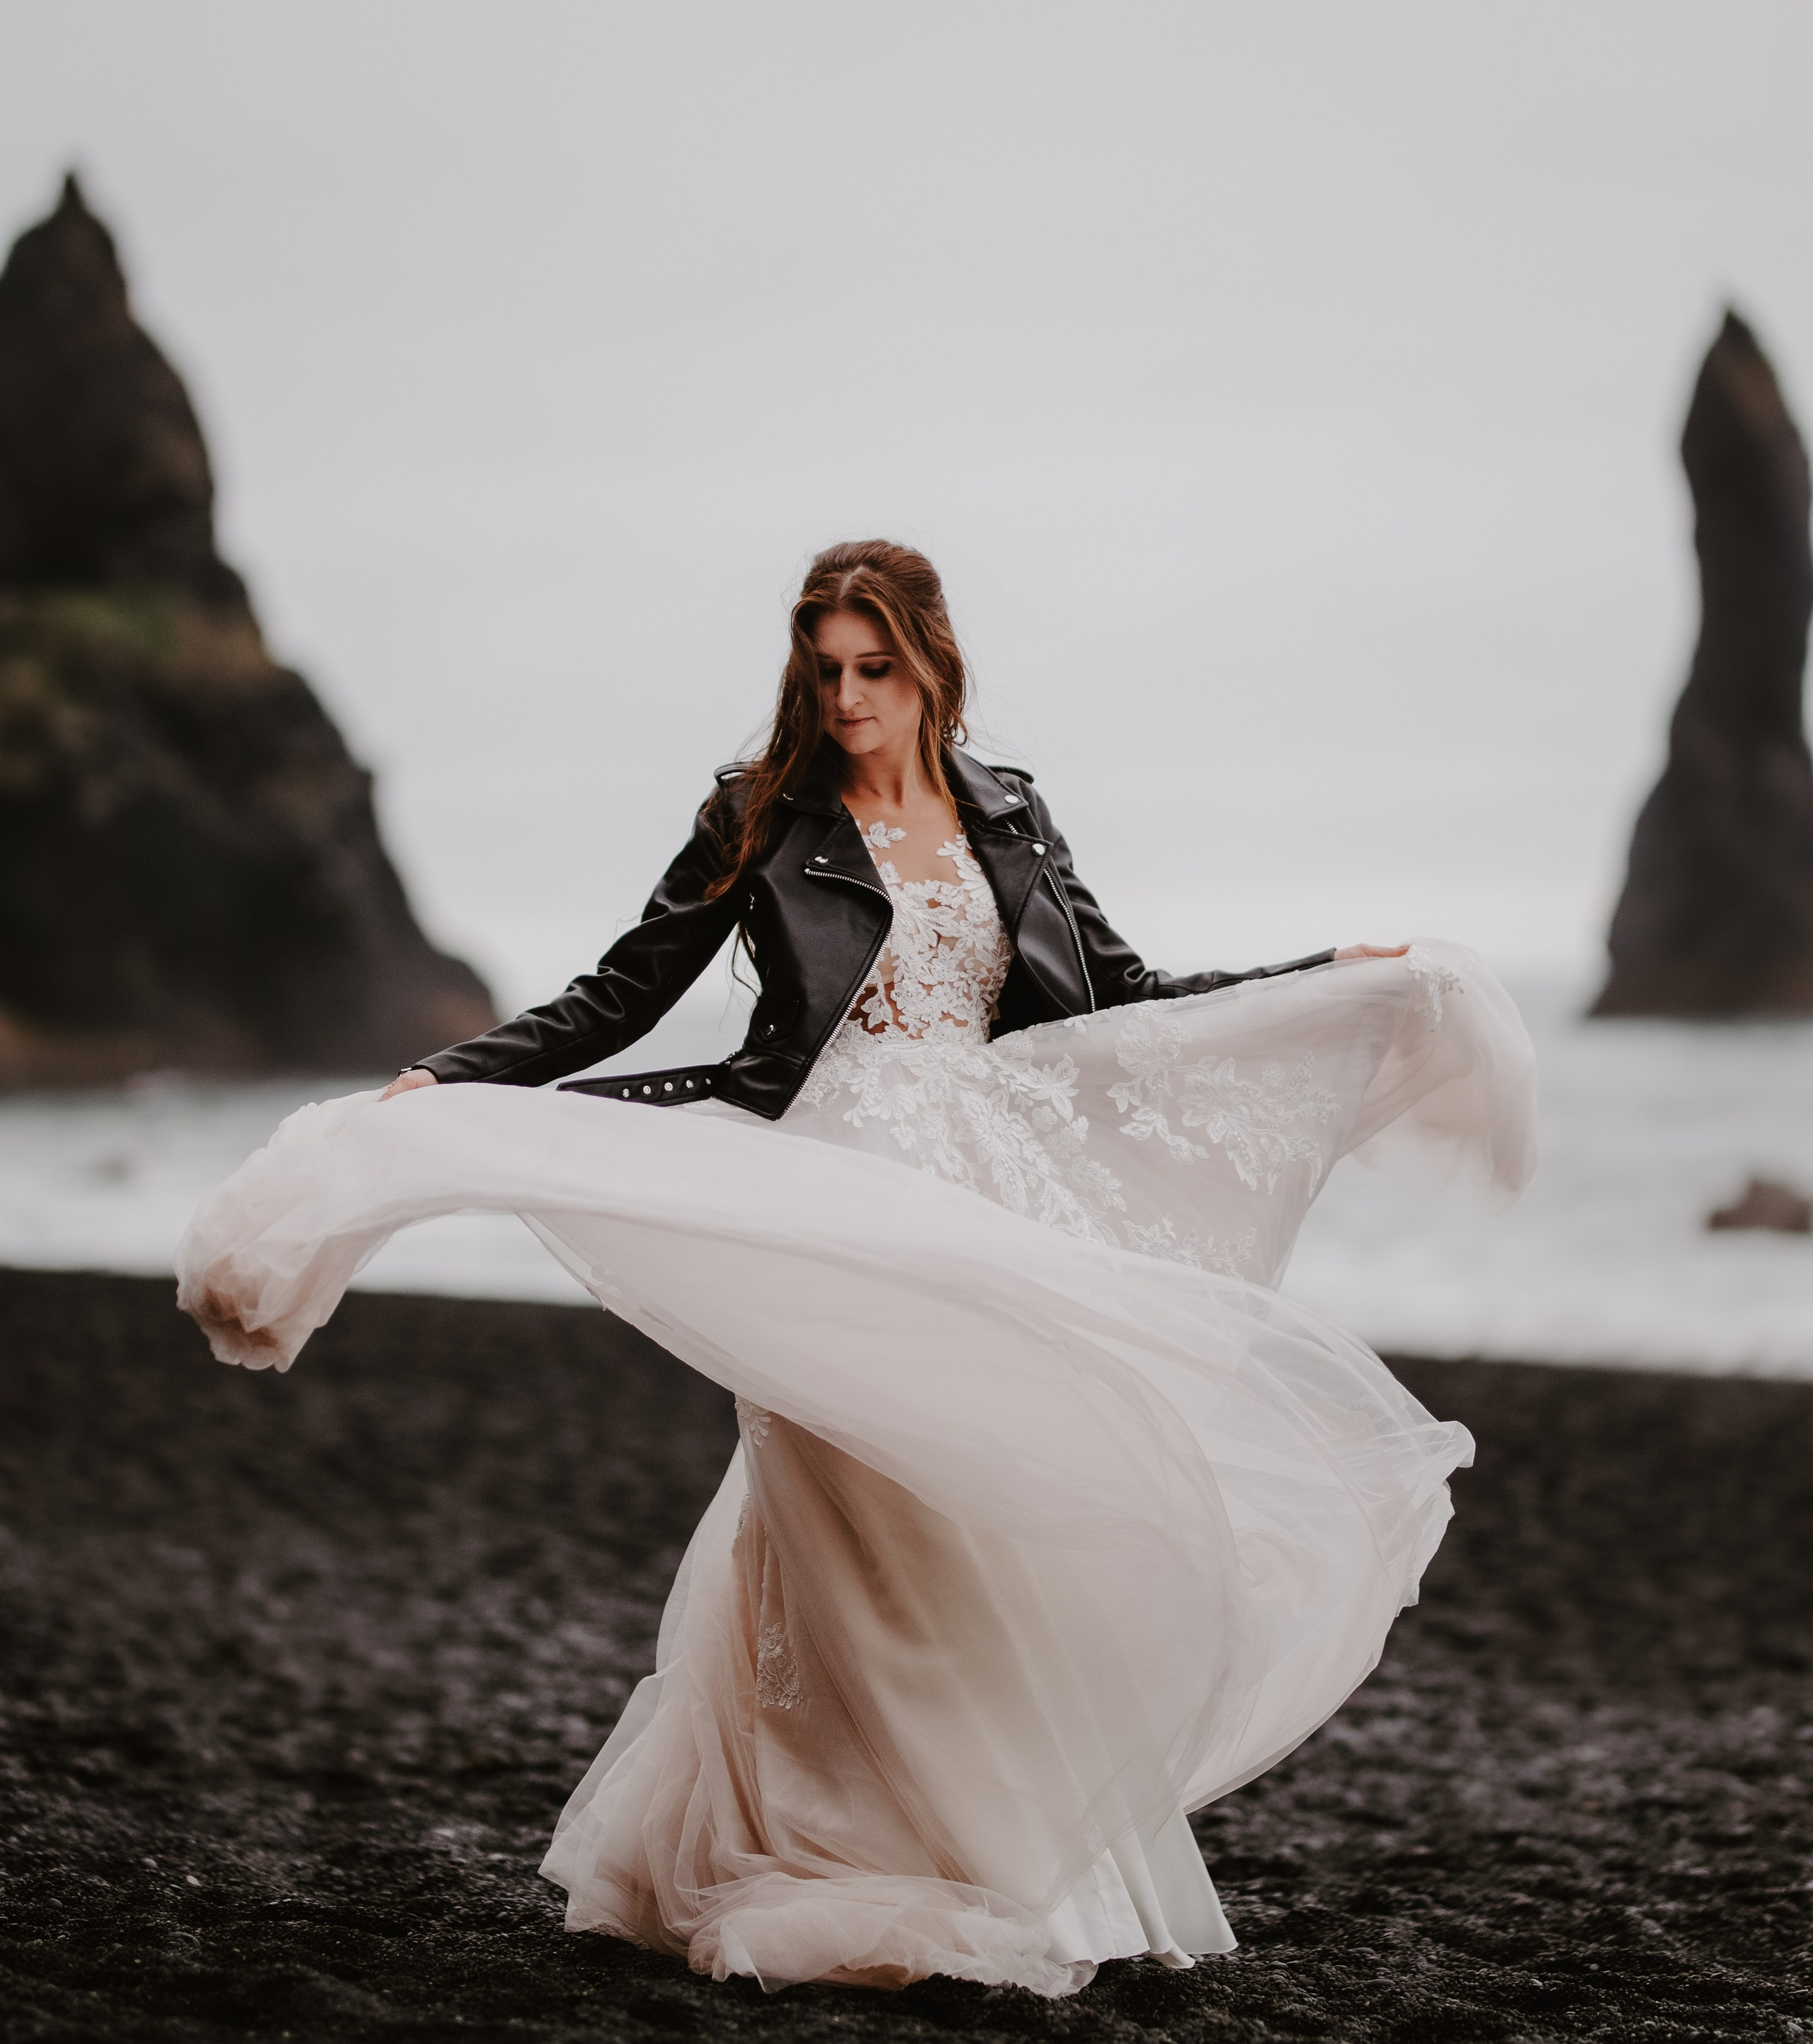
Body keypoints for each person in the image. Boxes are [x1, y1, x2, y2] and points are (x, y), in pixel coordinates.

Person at [179, 540, 1535, 1997]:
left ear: (931, 665)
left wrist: (1323, 976)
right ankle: (821, 1849)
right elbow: (620, 993)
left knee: (965, 1522)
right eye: (823, 669)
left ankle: (977, 1856)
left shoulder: (1009, 815)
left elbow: (1121, 998)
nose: (844, 698)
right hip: (821, 1199)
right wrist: (454, 1078)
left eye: (871, 668)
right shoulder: (758, 815)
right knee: (836, 1515)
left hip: (983, 1205)